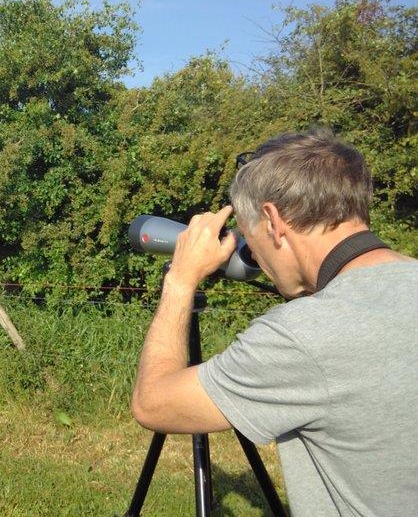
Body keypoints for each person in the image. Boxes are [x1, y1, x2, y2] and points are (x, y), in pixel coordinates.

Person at [130, 130, 417, 516]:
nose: (257, 260)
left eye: (248, 237)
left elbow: (153, 404)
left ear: (272, 220)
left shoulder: (304, 335)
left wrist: (181, 279)